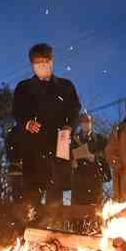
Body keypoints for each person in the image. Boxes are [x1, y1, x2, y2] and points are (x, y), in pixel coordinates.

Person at [13, 43, 81, 224]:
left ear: (51, 61)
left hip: (57, 146)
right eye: (37, 62)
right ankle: (29, 233)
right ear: (32, 64)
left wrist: (69, 126)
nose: (41, 65)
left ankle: (55, 231)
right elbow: (16, 111)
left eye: (45, 61)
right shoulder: (23, 87)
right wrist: (26, 123)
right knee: (31, 193)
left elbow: (74, 109)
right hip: (32, 148)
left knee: (55, 192)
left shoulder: (65, 86)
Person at [71, 113, 110, 206]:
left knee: (95, 211)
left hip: (95, 179)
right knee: (77, 210)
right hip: (78, 180)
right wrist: (71, 161)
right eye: (83, 122)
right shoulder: (73, 140)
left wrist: (95, 157)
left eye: (87, 122)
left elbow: (107, 155)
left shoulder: (101, 140)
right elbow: (67, 155)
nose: (85, 124)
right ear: (80, 124)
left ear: (91, 123)